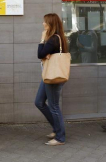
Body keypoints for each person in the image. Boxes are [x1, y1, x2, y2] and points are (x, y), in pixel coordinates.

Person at [35, 13, 68, 146]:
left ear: (51, 24)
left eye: (45, 22)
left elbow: (39, 54)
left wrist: (42, 39)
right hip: (48, 75)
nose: (43, 24)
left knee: (54, 106)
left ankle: (60, 137)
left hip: (54, 76)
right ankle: (57, 128)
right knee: (39, 102)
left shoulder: (54, 39)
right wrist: (45, 53)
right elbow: (43, 54)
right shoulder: (56, 38)